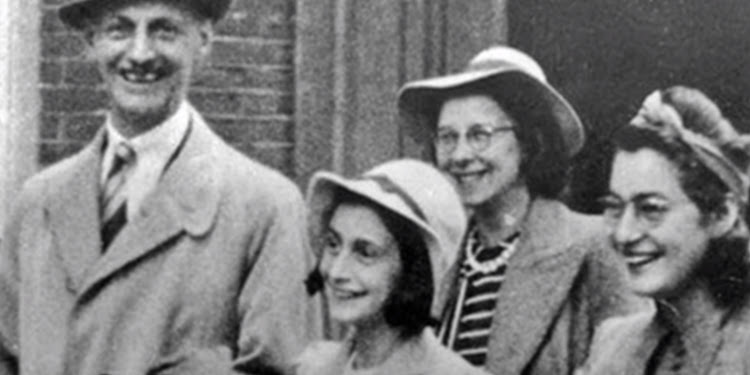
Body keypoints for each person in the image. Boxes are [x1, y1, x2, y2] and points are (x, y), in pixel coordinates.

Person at [0, 0, 321, 374]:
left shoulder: (266, 207)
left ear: (203, 40)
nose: (139, 53)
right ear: (91, 42)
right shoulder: (37, 201)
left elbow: (286, 368)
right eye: (119, 30)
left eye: (164, 30)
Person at [397, 45, 643, 374]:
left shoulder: (595, 245)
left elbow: (632, 365)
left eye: (479, 135)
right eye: (447, 137)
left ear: (529, 142)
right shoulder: (439, 257)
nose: (460, 155)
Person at [576, 86, 750, 374]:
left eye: (651, 209)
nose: (624, 234)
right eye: (615, 207)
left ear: (721, 213)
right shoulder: (614, 347)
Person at [295, 159, 489, 375]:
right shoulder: (312, 368)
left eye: (365, 253)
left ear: (412, 270)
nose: (336, 272)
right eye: (333, 244)